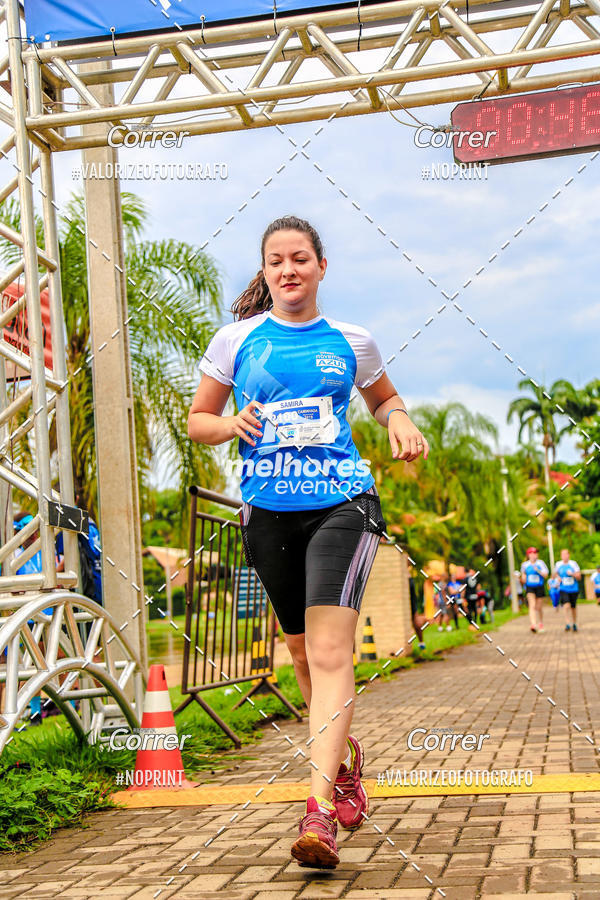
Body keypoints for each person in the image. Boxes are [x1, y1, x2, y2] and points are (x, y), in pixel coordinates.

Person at [187, 216, 429, 869]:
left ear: (321, 266)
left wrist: (399, 420)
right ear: (265, 273)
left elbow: (384, 399)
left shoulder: (352, 341)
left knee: (327, 651)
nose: (288, 269)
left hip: (342, 502)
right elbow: (199, 419)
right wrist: (230, 423)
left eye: (300, 258)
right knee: (298, 651)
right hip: (268, 510)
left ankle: (317, 811)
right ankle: (342, 764)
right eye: (276, 261)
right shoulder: (237, 340)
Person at [520, 547, 549, 633]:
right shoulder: (525, 565)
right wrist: (522, 578)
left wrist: (538, 570)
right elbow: (523, 576)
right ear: (528, 555)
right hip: (530, 587)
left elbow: (546, 575)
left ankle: (540, 623)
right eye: (532, 553)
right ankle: (533, 624)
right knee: (532, 605)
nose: (534, 555)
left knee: (538, 607)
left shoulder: (541, 563)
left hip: (539, 586)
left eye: (535, 553)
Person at [554, 548, 581, 632]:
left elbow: (579, 577)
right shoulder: (558, 564)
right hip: (563, 589)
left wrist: (572, 574)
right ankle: (567, 623)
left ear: (568, 555)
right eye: (562, 554)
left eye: (565, 554)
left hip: (573, 589)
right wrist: (558, 578)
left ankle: (574, 623)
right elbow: (555, 574)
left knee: (573, 607)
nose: (564, 556)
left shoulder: (573, 564)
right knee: (566, 605)